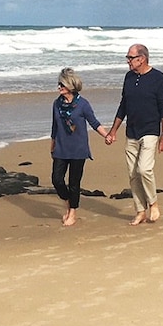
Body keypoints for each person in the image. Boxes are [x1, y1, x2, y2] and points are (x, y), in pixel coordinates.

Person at [105, 44, 163, 226]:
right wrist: (113, 131)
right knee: (133, 174)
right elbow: (123, 105)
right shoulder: (128, 77)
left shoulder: (158, 77)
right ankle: (140, 211)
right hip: (131, 131)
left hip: (150, 130)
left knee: (144, 169)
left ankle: (153, 204)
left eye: (130, 57)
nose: (128, 60)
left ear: (141, 58)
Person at [50, 67, 110, 226]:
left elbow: (94, 123)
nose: (59, 88)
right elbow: (54, 126)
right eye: (58, 84)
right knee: (57, 180)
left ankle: (73, 213)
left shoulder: (83, 104)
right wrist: (52, 144)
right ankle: (69, 202)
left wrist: (107, 135)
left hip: (78, 149)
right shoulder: (57, 104)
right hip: (61, 149)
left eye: (61, 85)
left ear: (70, 86)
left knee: (74, 183)